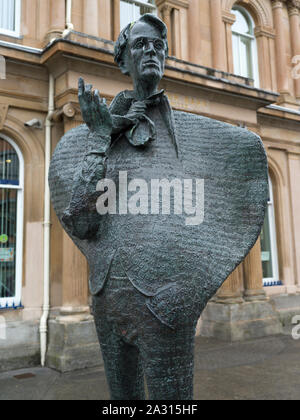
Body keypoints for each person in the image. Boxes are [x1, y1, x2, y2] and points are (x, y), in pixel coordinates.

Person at [49, 14, 268, 400]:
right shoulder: (100, 132)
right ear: (123, 60)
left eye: (158, 46)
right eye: (140, 45)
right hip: (106, 300)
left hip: (168, 302)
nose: (151, 51)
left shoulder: (191, 133)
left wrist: (192, 288)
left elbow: (224, 213)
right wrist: (101, 138)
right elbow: (82, 223)